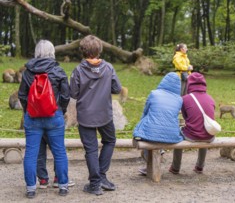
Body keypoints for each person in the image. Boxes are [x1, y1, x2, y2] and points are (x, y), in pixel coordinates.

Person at [70, 35, 122, 195]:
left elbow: (73, 92)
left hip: (85, 116)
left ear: (83, 51)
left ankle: (96, 182)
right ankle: (101, 177)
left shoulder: (78, 70)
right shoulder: (109, 68)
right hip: (104, 115)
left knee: (91, 149)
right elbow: (117, 89)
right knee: (110, 140)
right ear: (99, 50)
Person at [18, 40, 70, 198]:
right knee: (59, 151)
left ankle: (31, 188)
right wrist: (60, 110)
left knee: (31, 153)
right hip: (54, 116)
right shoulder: (58, 71)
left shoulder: (28, 72)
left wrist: (29, 111)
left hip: (32, 118)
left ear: (37, 52)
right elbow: (66, 95)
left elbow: (22, 95)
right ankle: (62, 186)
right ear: (52, 52)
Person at [133, 72, 184, 174]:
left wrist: (139, 127)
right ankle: (153, 162)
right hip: (172, 135)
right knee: (153, 141)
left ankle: (151, 166)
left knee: (144, 139)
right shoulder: (179, 100)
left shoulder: (154, 94)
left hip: (151, 132)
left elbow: (145, 112)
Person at [169, 72, 215, 174]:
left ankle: (175, 167)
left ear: (189, 84)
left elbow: (185, 117)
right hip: (210, 136)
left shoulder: (186, 99)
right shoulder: (210, 98)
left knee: (179, 135)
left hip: (192, 135)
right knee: (204, 132)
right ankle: (199, 166)